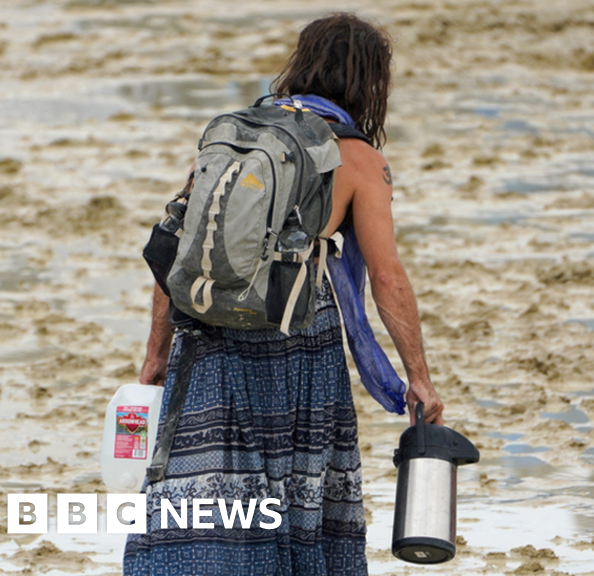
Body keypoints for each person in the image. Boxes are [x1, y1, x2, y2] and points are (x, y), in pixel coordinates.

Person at [126, 13, 443, 576]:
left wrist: (155, 356)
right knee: (295, 499)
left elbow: (176, 249)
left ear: (301, 63)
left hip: (210, 338)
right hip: (298, 340)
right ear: (371, 83)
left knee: (207, 493)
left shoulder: (234, 133)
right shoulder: (359, 159)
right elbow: (388, 278)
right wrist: (417, 375)